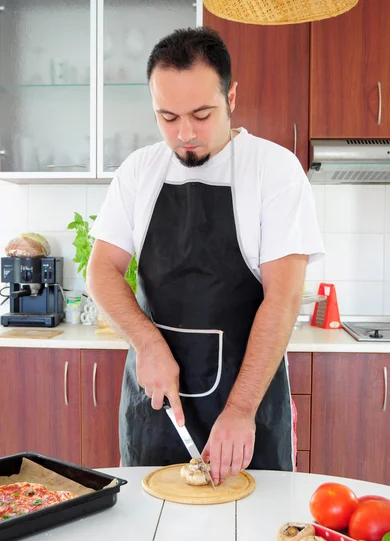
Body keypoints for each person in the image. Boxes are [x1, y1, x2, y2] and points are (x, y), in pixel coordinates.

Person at [87, 27, 325, 485]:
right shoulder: (140, 170)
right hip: (157, 403)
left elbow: (283, 297)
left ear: (231, 95)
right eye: (168, 117)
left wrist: (240, 409)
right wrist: (147, 343)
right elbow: (102, 270)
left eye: (201, 113)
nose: (186, 133)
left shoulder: (273, 170)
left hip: (245, 402)